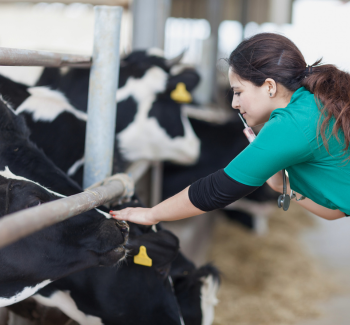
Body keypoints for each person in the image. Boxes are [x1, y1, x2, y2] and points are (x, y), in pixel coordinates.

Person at [110, 32, 350, 225]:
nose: (234, 104)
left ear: (269, 87)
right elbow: (337, 211)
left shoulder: (293, 123)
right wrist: (280, 186)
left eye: (238, 92)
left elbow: (218, 189)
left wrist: (152, 214)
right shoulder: (312, 105)